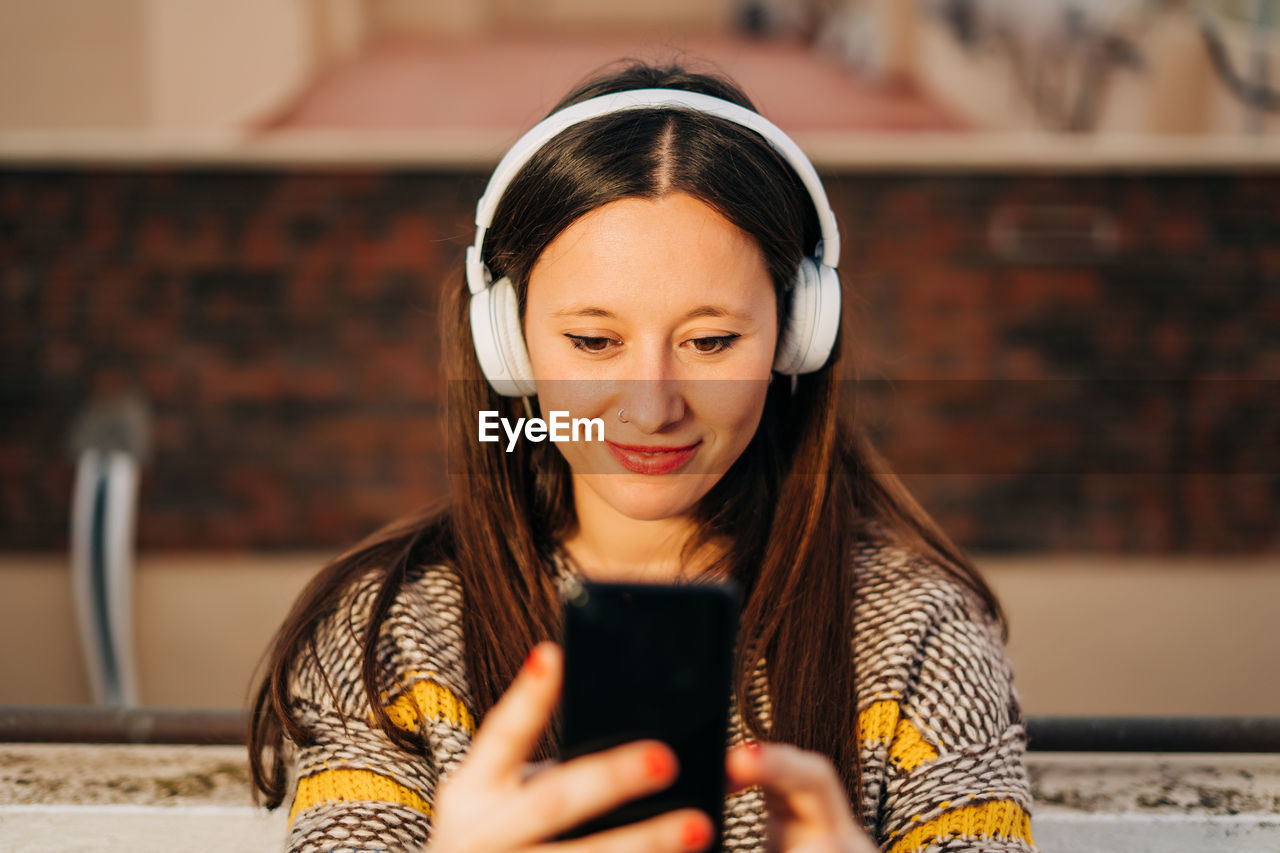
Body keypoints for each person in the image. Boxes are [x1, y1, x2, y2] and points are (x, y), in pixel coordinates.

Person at [248, 61, 1038, 853]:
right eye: (594, 342)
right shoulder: (388, 633)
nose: (651, 409)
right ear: (506, 343)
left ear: (798, 337)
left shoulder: (919, 639)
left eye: (711, 341)